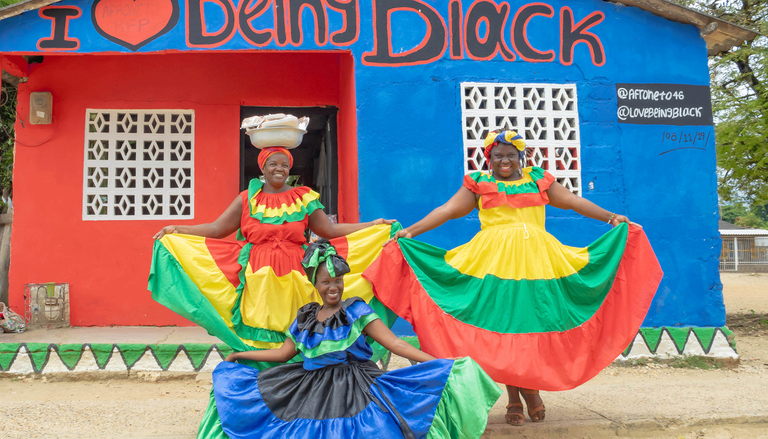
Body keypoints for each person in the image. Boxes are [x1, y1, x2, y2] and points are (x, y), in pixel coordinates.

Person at [364, 130, 663, 426]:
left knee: (531, 326)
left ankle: (531, 390)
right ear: (488, 158)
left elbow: (572, 201)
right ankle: (514, 397)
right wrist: (411, 232)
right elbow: (447, 210)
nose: (503, 161)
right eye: (497, 156)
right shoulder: (479, 184)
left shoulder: (537, 179)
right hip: (494, 266)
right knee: (505, 326)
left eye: (510, 155)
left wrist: (610, 217)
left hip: (538, 266)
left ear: (522, 156)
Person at [198, 241, 502, 438]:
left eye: (339, 281)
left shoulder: (356, 309)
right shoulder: (305, 316)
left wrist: (439, 363)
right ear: (314, 284)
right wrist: (239, 357)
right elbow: (282, 354)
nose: (334, 287)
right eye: (327, 282)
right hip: (309, 386)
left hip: (355, 384)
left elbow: (396, 344)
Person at [149, 146, 396, 351]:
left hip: (297, 272)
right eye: (273, 164)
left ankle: (303, 376)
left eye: (284, 165)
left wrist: (372, 225)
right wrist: (179, 229)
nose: (279, 168)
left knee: (297, 322)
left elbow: (329, 232)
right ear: (263, 169)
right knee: (262, 323)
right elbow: (216, 229)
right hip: (259, 275)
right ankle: (266, 373)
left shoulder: (304, 197)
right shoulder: (246, 199)